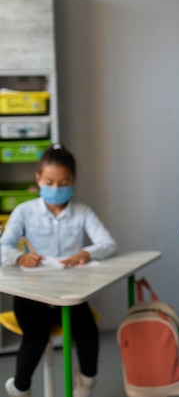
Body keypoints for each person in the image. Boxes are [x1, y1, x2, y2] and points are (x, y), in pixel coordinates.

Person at [0, 144, 117, 397]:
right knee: (35, 337)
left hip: (68, 291)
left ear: (72, 180)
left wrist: (87, 253)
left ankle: (85, 385)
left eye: (63, 182)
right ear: (38, 178)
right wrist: (20, 258)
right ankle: (20, 388)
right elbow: (4, 247)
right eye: (49, 181)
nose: (55, 188)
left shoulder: (83, 212)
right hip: (33, 292)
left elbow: (108, 244)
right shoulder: (24, 212)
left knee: (87, 335)